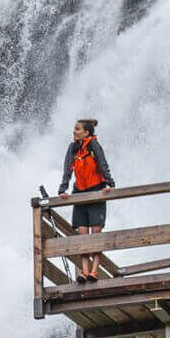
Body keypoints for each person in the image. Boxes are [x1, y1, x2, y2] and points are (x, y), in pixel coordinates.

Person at [58, 118, 115, 283]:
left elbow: (103, 164)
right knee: (82, 236)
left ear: (86, 132)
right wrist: (63, 189)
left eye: (77, 129)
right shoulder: (73, 148)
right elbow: (67, 168)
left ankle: (94, 272)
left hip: (96, 192)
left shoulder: (93, 145)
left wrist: (110, 183)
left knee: (95, 236)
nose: (74, 131)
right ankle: (84, 272)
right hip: (80, 194)